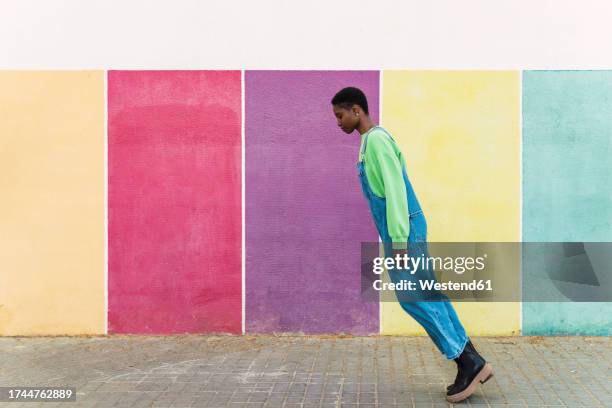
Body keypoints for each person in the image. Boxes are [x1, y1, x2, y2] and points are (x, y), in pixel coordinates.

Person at [331, 86, 494, 403]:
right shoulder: (370, 142)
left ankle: (467, 361)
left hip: (403, 230)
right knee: (427, 294)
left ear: (356, 110)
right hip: (402, 230)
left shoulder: (377, 141)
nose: (338, 122)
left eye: (340, 116)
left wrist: (401, 242)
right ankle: (471, 361)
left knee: (413, 297)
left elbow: (395, 192)